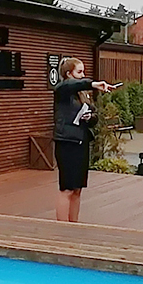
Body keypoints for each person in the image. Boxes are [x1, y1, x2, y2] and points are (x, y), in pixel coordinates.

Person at [53, 58, 118, 222]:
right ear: (69, 74)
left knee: (77, 189)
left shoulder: (83, 95)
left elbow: (94, 116)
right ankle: (62, 227)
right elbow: (71, 85)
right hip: (67, 143)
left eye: (84, 72)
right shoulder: (62, 90)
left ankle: (74, 224)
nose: (83, 75)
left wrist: (90, 117)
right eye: (79, 72)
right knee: (67, 188)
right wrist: (93, 84)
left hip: (81, 142)